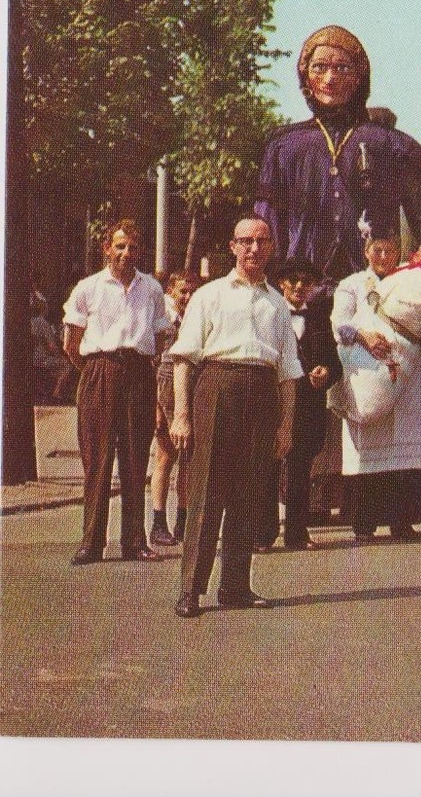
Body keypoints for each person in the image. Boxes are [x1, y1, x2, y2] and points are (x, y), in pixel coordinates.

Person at [254, 24, 421, 285]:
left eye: (341, 68)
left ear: (358, 77)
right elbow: (263, 227)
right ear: (305, 76)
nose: (330, 78)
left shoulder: (391, 144)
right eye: (319, 67)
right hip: (298, 293)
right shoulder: (284, 146)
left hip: (371, 294)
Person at [167, 216, 302, 617]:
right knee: (206, 491)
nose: (254, 249)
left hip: (261, 393)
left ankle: (235, 586)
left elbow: (289, 375)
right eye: (246, 242)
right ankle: (190, 589)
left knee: (249, 495)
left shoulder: (277, 304)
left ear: (272, 247)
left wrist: (286, 426)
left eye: (262, 242)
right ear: (232, 246)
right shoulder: (209, 296)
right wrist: (182, 414)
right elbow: (184, 359)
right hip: (217, 387)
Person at [329, 230, 421, 542]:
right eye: (378, 250)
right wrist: (364, 335)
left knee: (405, 443)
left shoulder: (411, 280)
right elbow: (338, 322)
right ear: (366, 250)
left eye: (390, 251)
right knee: (368, 442)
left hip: (409, 370)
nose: (383, 257)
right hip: (367, 367)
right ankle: (364, 521)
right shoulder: (352, 285)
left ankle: (402, 519)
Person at [61, 219, 174, 565]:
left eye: (133, 247)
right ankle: (92, 542)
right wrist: (95, 372)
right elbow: (71, 342)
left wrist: (139, 369)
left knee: (136, 458)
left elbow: (158, 338)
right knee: (97, 459)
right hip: (99, 371)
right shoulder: (88, 287)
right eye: (120, 246)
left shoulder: (152, 288)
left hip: (138, 373)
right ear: (107, 248)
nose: (127, 253)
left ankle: (135, 541)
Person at [259, 259, 340, 551]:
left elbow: (335, 363)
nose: (298, 286)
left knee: (300, 469)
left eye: (306, 281)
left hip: (308, 405)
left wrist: (326, 373)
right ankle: (263, 534)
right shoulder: (268, 314)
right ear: (281, 283)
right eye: (292, 280)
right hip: (275, 402)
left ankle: (297, 532)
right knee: (268, 467)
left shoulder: (319, 320)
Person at [150, 271, 200, 546]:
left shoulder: (193, 319)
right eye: (183, 291)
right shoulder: (164, 320)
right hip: (166, 389)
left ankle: (183, 519)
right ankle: (158, 520)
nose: (188, 296)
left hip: (188, 388)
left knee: (187, 459)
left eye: (191, 291)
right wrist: (157, 408)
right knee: (165, 457)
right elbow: (154, 365)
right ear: (171, 291)